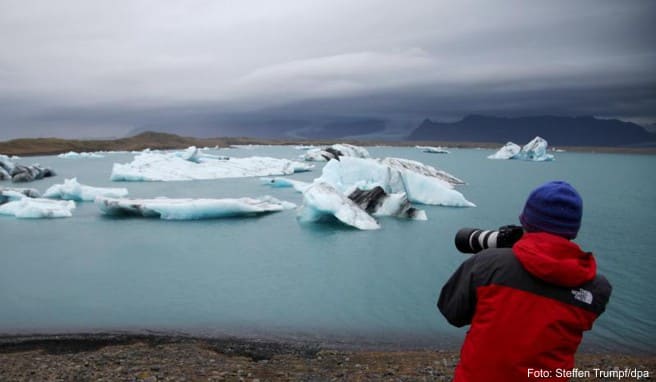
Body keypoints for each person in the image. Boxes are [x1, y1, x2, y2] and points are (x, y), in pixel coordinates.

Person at [438, 180, 612, 382]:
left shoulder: (489, 264)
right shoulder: (597, 289)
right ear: (574, 228)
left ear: (526, 221)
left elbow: (452, 312)